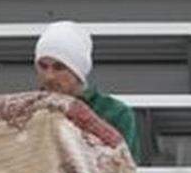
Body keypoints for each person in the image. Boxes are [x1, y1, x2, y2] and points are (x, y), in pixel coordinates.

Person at [34, 21, 143, 163]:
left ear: (77, 70)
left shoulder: (115, 113)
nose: (49, 76)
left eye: (59, 67)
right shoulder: (24, 112)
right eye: (43, 66)